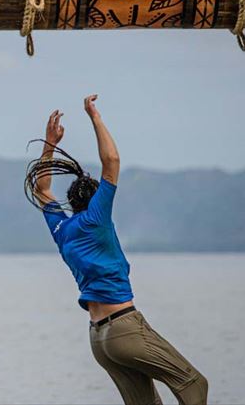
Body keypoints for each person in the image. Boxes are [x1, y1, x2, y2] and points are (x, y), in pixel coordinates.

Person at [23, 95, 208, 405]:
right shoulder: (97, 218)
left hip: (99, 340)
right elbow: (112, 164)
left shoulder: (62, 230)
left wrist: (50, 144)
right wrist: (94, 116)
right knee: (193, 384)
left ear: (72, 201)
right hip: (125, 328)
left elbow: (41, 189)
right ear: (96, 201)